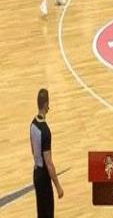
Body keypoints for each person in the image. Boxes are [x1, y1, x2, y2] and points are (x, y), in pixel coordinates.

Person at [30, 89, 64, 218]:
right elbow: (49, 163)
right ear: (45, 104)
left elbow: (33, 150)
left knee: (41, 213)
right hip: (44, 177)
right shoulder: (45, 131)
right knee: (48, 214)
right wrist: (58, 186)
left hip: (36, 173)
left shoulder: (32, 124)